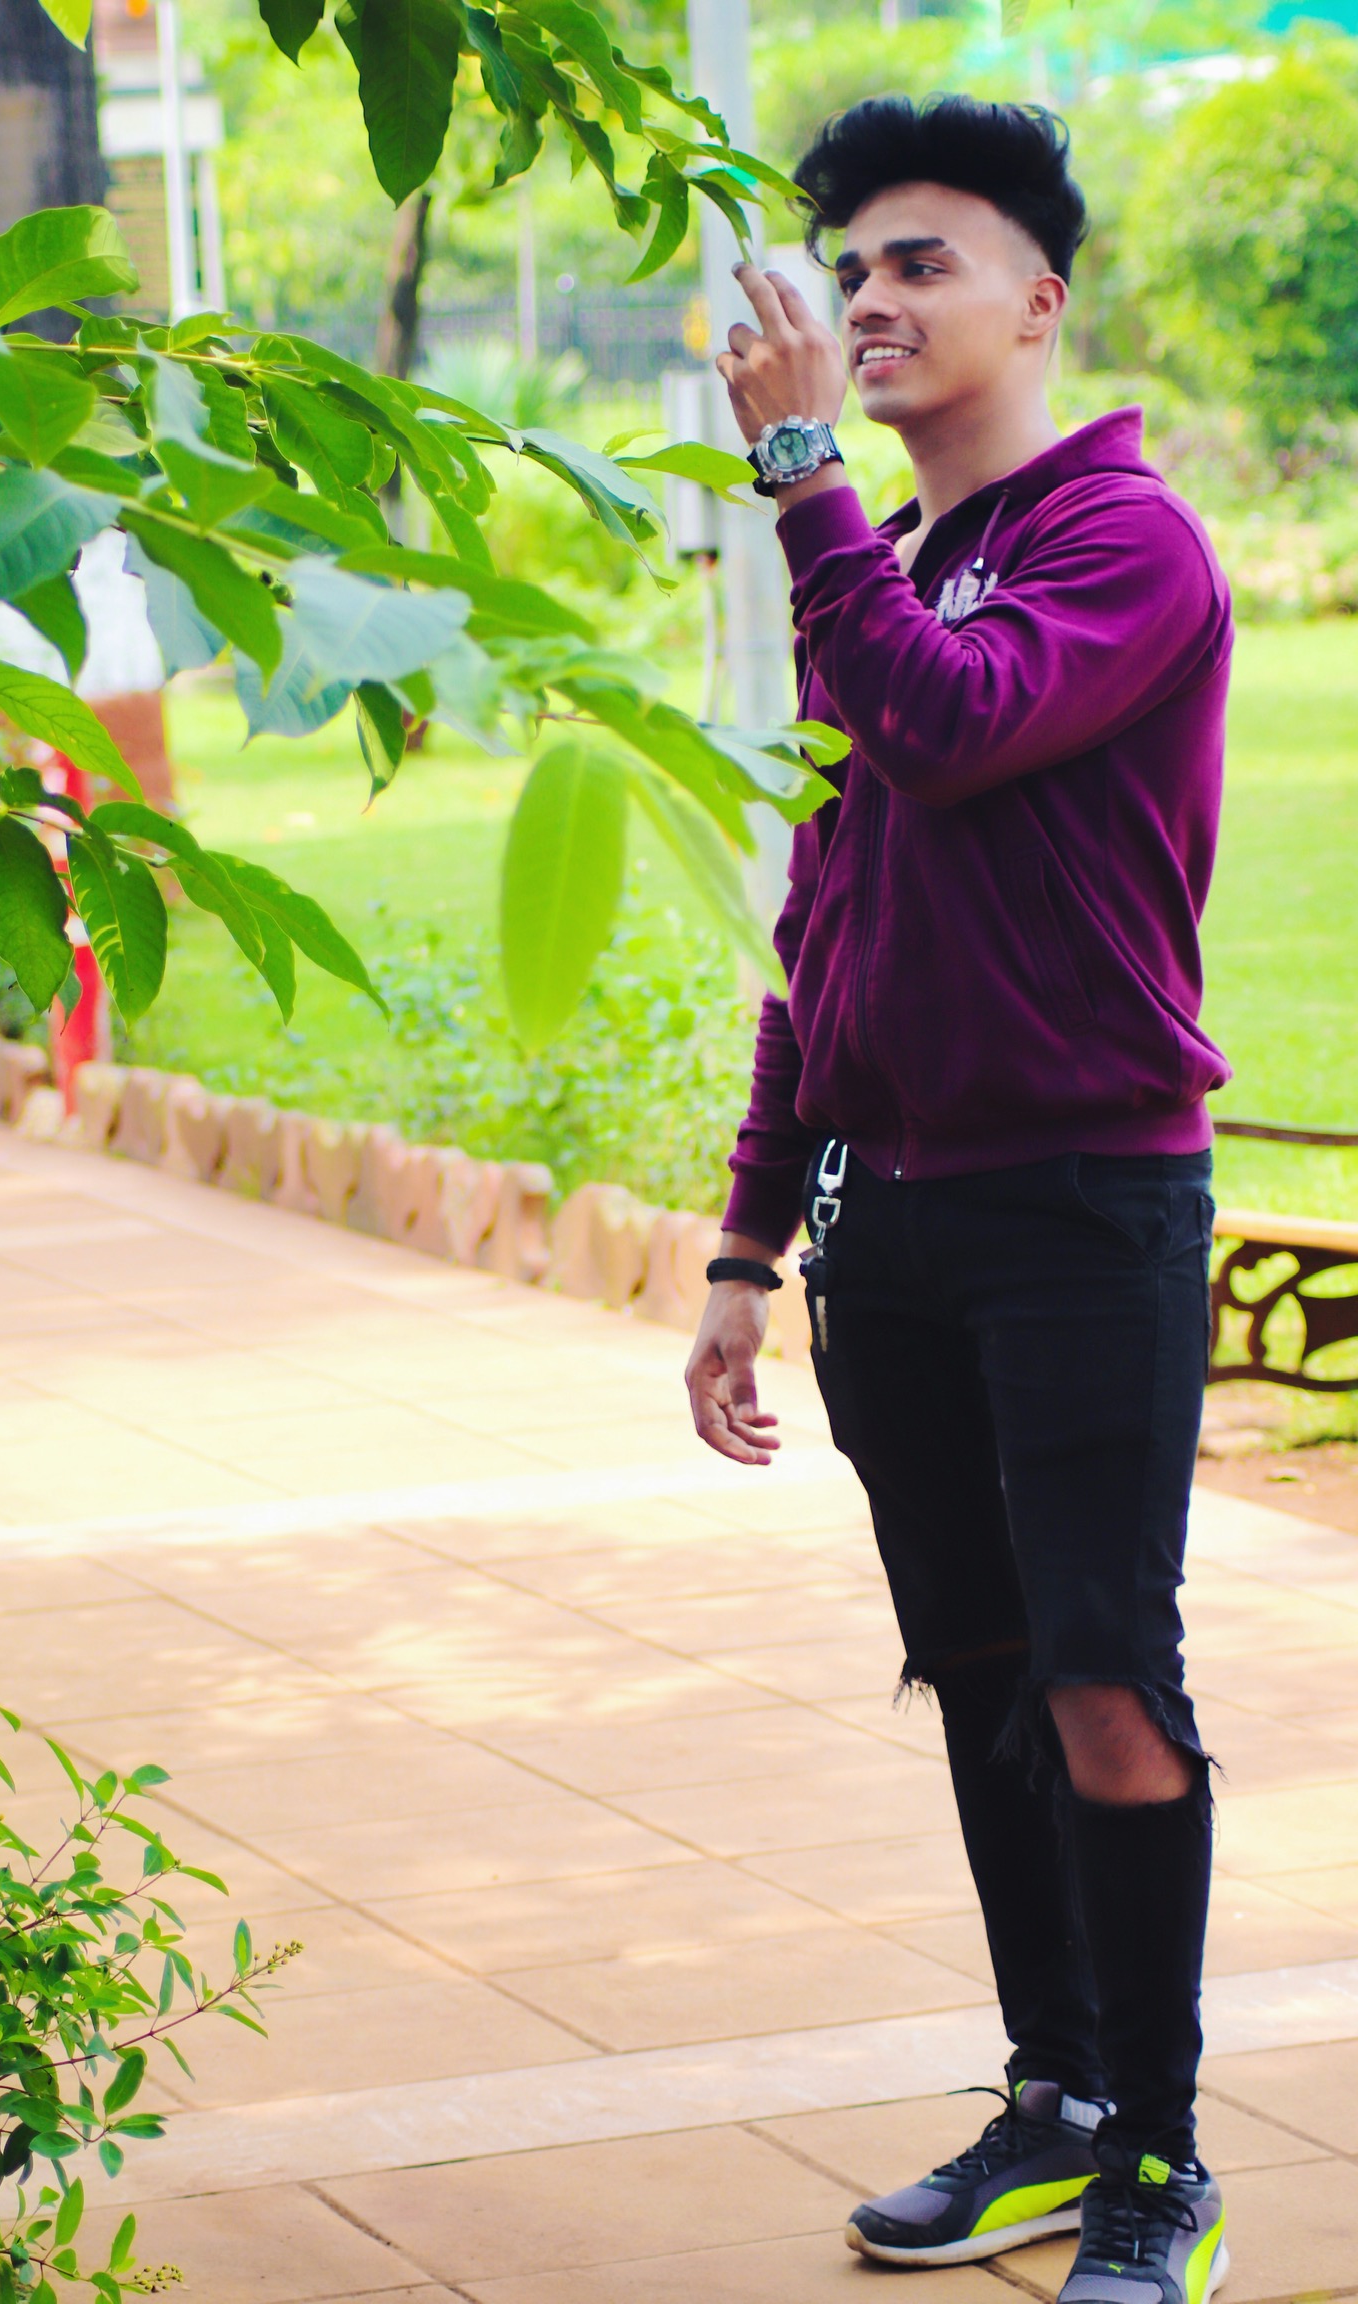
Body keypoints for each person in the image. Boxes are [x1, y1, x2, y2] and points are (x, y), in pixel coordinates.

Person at [684, 95, 1233, 2303]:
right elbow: (822, 928)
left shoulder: (1127, 541)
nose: (875, 299)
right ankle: (1058, 2097)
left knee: (1106, 1685)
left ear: (1040, 299)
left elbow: (946, 727)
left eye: (924, 261)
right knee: (986, 1669)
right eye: (856, 270)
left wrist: (802, 476)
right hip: (888, 1227)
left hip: (1085, 1207)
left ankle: (1163, 2160)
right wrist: (747, 1242)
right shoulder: (887, 573)